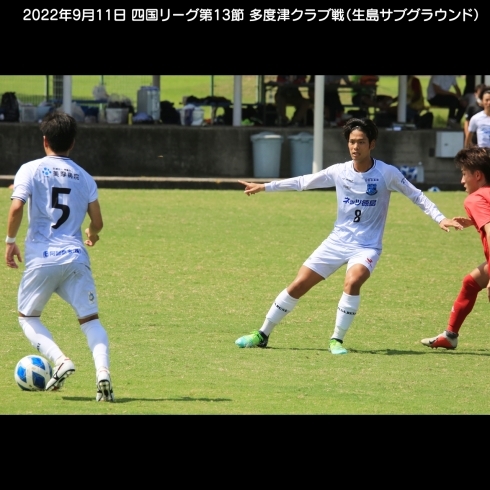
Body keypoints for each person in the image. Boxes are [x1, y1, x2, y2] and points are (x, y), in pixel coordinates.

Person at [235, 117, 463, 354]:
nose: (355, 147)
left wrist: (440, 217)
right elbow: (303, 182)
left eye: (361, 142)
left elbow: (417, 195)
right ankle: (262, 334)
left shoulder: (387, 173)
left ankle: (336, 340)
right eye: (352, 142)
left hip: (367, 246)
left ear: (372, 144)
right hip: (336, 241)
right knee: (298, 285)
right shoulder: (339, 171)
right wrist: (265, 186)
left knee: (353, 281)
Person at [5, 111, 114, 402]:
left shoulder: (29, 169)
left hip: (42, 259)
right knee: (91, 321)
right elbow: (98, 222)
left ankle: (61, 360)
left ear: (44, 141)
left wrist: (10, 242)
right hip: (75, 258)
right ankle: (102, 372)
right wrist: (92, 233)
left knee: (28, 318)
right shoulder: (85, 177)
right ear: (73, 143)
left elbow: (16, 209)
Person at [421, 147, 490, 350]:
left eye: (464, 174)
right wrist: (474, 221)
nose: (462, 181)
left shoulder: (475, 199)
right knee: (470, 282)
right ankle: (450, 336)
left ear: (477, 175)